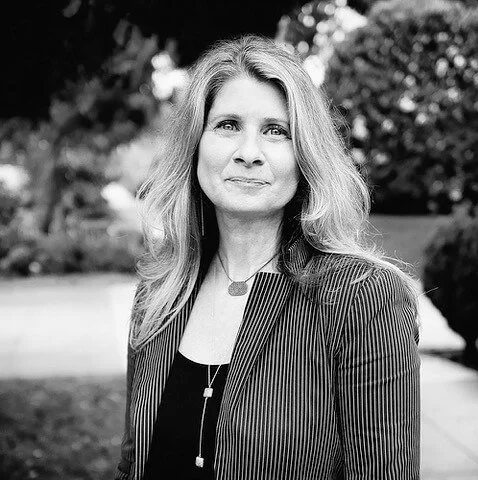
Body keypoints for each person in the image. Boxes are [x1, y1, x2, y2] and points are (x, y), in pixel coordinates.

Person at [115, 35, 420, 480]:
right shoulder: (160, 291)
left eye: (276, 131)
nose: (248, 154)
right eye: (227, 125)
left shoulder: (362, 298)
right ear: (195, 145)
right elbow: (132, 465)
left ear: (305, 155)